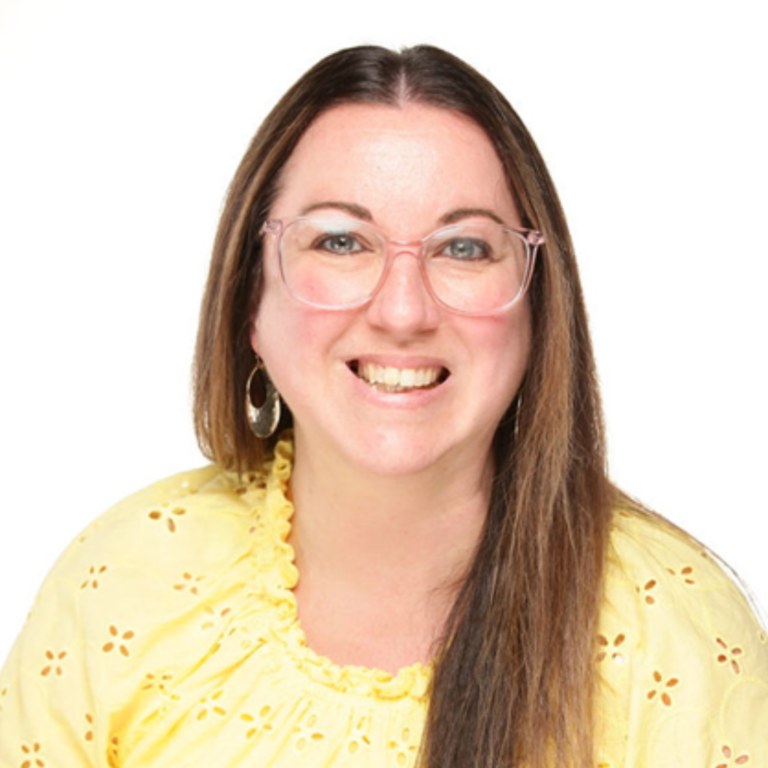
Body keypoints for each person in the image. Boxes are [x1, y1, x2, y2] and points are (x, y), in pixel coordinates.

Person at [1, 44, 766, 768]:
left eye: (464, 248)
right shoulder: (122, 585)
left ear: (539, 314)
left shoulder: (671, 632)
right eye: (340, 242)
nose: (403, 311)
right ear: (249, 306)